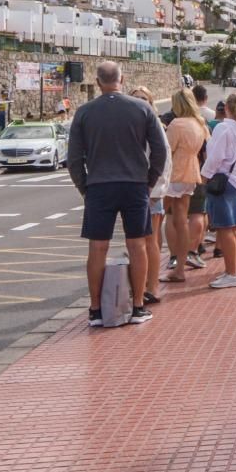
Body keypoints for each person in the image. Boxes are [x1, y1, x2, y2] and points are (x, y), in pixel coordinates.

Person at [66, 60, 168, 327]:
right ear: (122, 79)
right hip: (135, 185)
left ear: (98, 82)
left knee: (98, 247)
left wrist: (84, 186)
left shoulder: (85, 112)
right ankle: (137, 307)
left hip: (99, 185)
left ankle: (96, 310)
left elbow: (74, 158)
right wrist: (149, 181)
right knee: (137, 244)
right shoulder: (142, 108)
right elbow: (160, 151)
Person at [199, 95, 236, 289]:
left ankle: (231, 273)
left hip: (223, 181)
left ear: (226, 109)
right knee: (234, 228)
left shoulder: (224, 128)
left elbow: (215, 156)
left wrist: (204, 176)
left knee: (225, 229)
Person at [162, 87, 209, 286]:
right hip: (191, 171)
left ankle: (175, 264)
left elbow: (167, 150)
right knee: (182, 220)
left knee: (164, 218)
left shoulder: (176, 124)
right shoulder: (200, 123)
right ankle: (181, 265)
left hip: (174, 173)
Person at [130, 88, 171, 307]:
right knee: (138, 241)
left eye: (144, 98)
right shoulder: (130, 125)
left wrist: (156, 189)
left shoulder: (154, 125)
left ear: (151, 103)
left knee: (150, 240)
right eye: (135, 98)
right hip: (134, 190)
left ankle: (152, 286)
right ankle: (141, 284)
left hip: (151, 191)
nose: (139, 102)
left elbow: (163, 159)